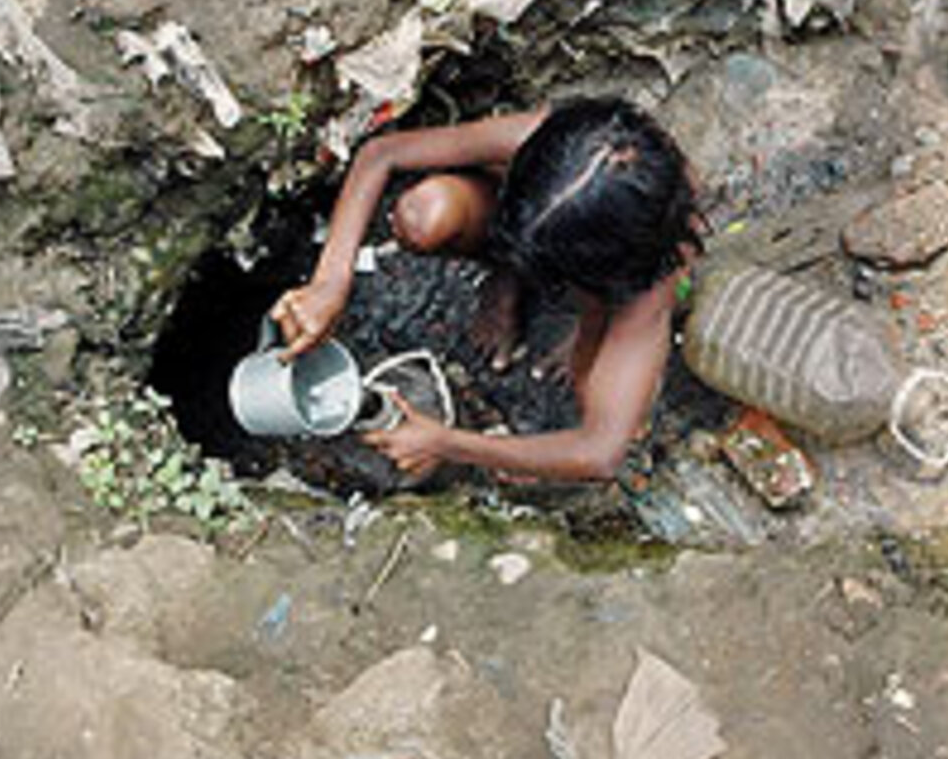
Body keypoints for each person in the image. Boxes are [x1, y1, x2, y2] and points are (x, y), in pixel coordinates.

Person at [268, 96, 701, 482]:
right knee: (423, 215)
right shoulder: (564, 149)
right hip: (568, 240)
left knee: (594, 388)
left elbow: (599, 452)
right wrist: (330, 282)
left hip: (612, 270)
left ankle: (578, 314)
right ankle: (508, 280)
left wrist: (447, 443)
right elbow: (382, 154)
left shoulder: (648, 285)